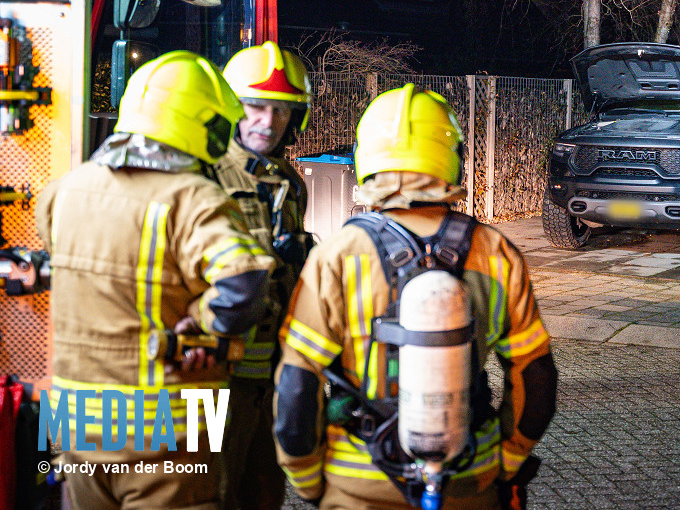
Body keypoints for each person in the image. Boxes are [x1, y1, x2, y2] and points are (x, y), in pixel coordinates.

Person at [273, 84, 558, 509]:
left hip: (357, 485)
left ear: (366, 157)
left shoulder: (337, 255)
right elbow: (536, 381)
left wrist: (311, 482)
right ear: (453, 159)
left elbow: (297, 388)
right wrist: (507, 462)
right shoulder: (495, 252)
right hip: (467, 483)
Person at [36, 51, 273, 510]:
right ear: (202, 125)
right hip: (165, 433)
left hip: (73, 423)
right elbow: (243, 284)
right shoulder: (194, 197)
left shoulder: (64, 190)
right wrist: (201, 324)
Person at [215, 42, 314, 510]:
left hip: (272, 375)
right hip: (217, 377)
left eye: (282, 110)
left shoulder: (290, 183)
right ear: (232, 108)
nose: (268, 122)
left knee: (263, 493)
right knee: (214, 493)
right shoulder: (205, 178)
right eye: (256, 106)